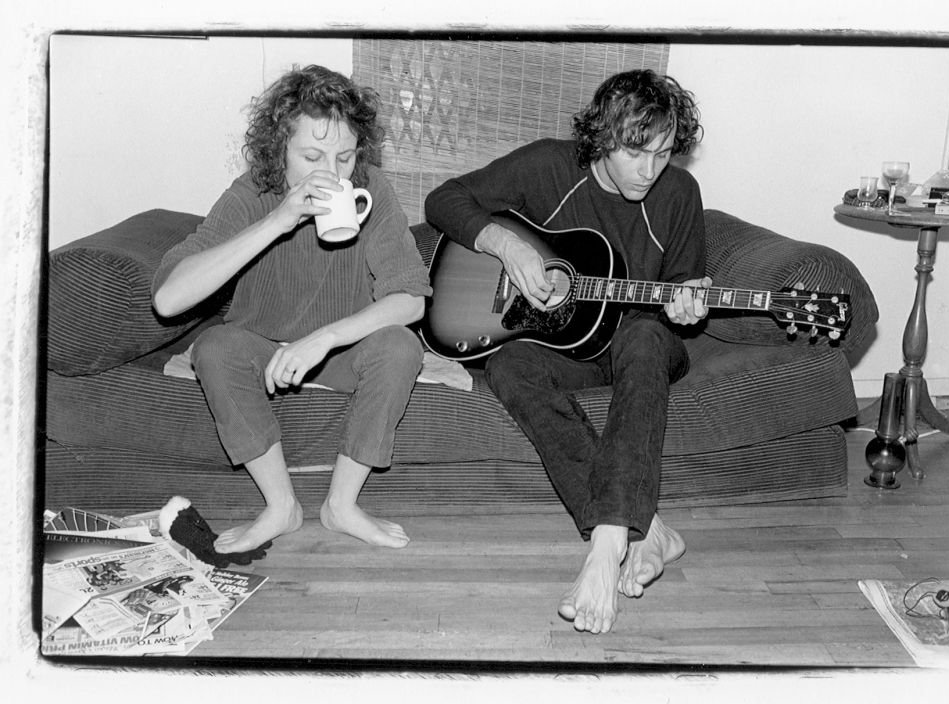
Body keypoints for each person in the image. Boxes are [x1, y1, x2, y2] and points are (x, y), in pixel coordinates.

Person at [424, 69, 709, 634]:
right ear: (602, 135)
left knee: (647, 334)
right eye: (635, 152)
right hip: (568, 349)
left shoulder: (680, 195)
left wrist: (688, 305)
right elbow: (443, 200)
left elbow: (683, 288)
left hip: (641, 344)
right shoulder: (549, 166)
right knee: (507, 363)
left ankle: (604, 549)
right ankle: (649, 531)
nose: (649, 171)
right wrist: (506, 247)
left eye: (664, 153)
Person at [152, 65, 431, 553]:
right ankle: (281, 506)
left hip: (343, 348)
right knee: (214, 348)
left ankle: (340, 506)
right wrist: (278, 221)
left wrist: (324, 338)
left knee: (400, 346)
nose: (331, 172)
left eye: (344, 157)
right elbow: (168, 299)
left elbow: (410, 300)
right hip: (260, 344)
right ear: (278, 148)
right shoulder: (251, 194)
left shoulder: (372, 192)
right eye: (311, 155)